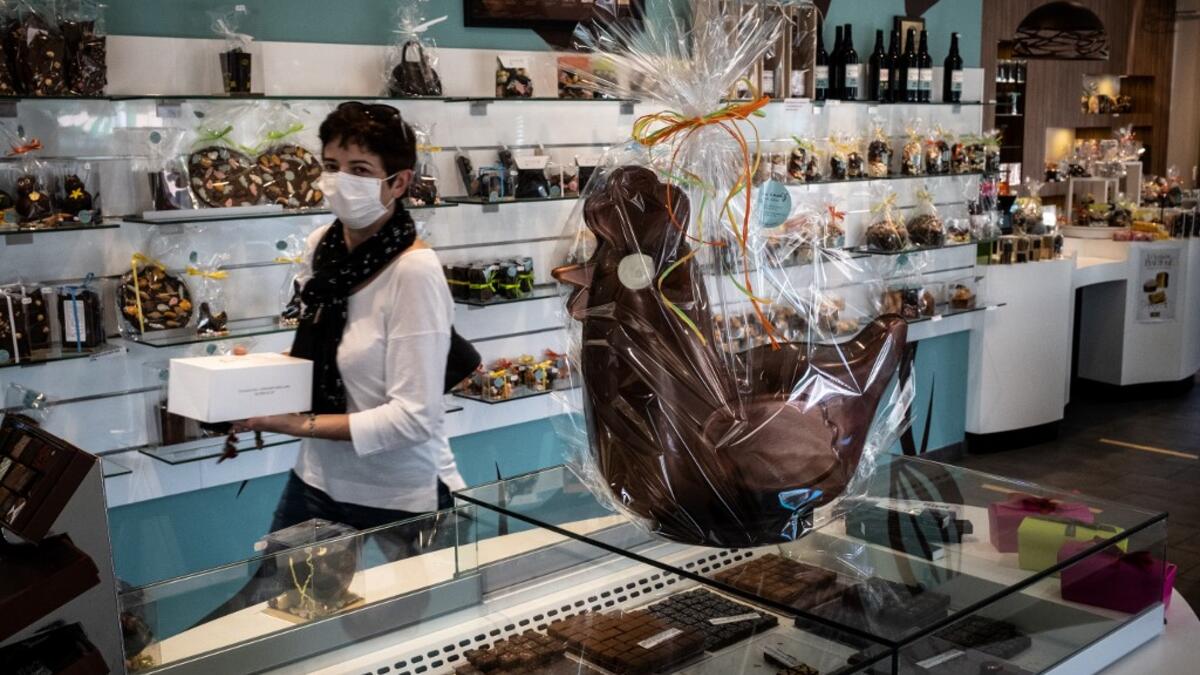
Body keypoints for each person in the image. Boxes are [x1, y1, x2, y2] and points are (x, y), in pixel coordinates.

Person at [240, 101, 466, 557]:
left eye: (360, 169)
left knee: (408, 624)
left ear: (399, 182)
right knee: (278, 613)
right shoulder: (322, 248)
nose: (341, 181)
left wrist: (297, 424)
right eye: (331, 166)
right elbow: (321, 355)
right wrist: (254, 379)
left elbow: (413, 417)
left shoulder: (413, 272)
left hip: (402, 496)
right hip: (317, 481)